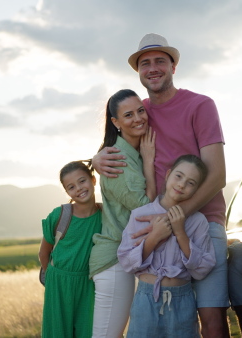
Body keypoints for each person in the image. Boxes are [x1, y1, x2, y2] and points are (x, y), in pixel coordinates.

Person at [93, 33, 229, 337]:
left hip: (203, 222)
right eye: (145, 63)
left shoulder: (200, 105)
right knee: (156, 316)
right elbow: (117, 136)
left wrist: (172, 220)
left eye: (160, 61)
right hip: (153, 226)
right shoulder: (138, 111)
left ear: (173, 67)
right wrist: (97, 157)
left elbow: (217, 175)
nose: (152, 68)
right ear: (138, 72)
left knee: (212, 322)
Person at [118, 154, 217, 337]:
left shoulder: (198, 221)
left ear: (197, 190)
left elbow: (202, 269)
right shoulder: (140, 215)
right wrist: (154, 237)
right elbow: (126, 261)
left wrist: (180, 233)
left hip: (183, 302)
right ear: (168, 174)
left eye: (191, 183)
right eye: (178, 176)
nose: (181, 185)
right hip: (146, 300)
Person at [89, 89, 157, 337]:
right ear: (115, 123)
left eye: (141, 111)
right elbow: (144, 207)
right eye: (128, 115)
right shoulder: (117, 159)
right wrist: (149, 161)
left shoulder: (130, 151)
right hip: (114, 261)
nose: (138, 118)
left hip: (126, 256)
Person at [39, 160, 103, 338]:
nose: (79, 188)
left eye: (82, 181)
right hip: (58, 283)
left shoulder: (105, 216)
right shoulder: (60, 215)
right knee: (58, 332)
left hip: (88, 284)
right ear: (67, 191)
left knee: (89, 331)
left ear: (93, 180)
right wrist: (53, 279)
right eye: (71, 187)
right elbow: (43, 253)